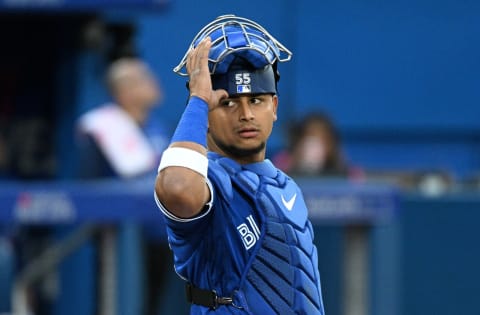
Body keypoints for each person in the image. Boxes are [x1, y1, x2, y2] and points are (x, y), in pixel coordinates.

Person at [154, 14, 325, 314]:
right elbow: (178, 188)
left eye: (256, 100)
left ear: (274, 107)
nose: (245, 114)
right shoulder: (214, 180)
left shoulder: (285, 185)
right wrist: (198, 100)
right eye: (228, 103)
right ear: (205, 114)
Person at [76, 57, 168, 178]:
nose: (154, 83)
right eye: (144, 79)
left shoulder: (157, 126)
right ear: (124, 92)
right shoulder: (102, 125)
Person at [273, 111, 364, 179]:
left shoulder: (347, 172)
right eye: (310, 137)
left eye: (322, 140)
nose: (315, 146)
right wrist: (295, 161)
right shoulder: (284, 163)